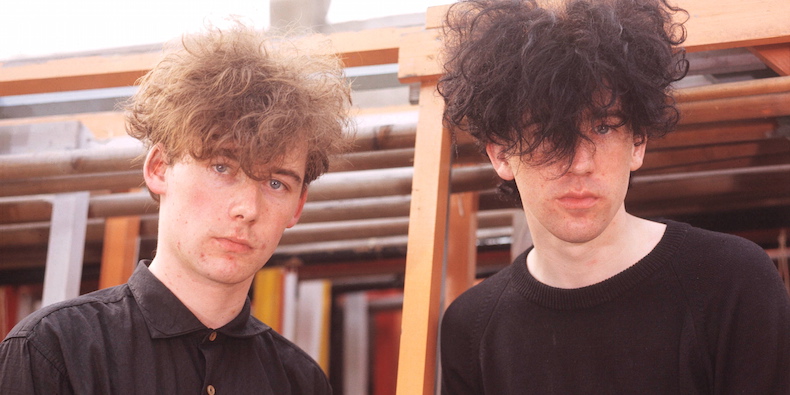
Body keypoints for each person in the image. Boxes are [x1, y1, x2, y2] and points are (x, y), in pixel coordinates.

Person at [437, 0, 790, 394]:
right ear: (501, 154)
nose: (580, 163)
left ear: (638, 142)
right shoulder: (470, 328)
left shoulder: (732, 283)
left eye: (604, 127)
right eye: (548, 132)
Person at [0, 23, 350, 394]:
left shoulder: (301, 382)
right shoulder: (53, 352)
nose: (247, 209)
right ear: (158, 169)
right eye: (222, 168)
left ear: (297, 206)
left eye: (275, 183)